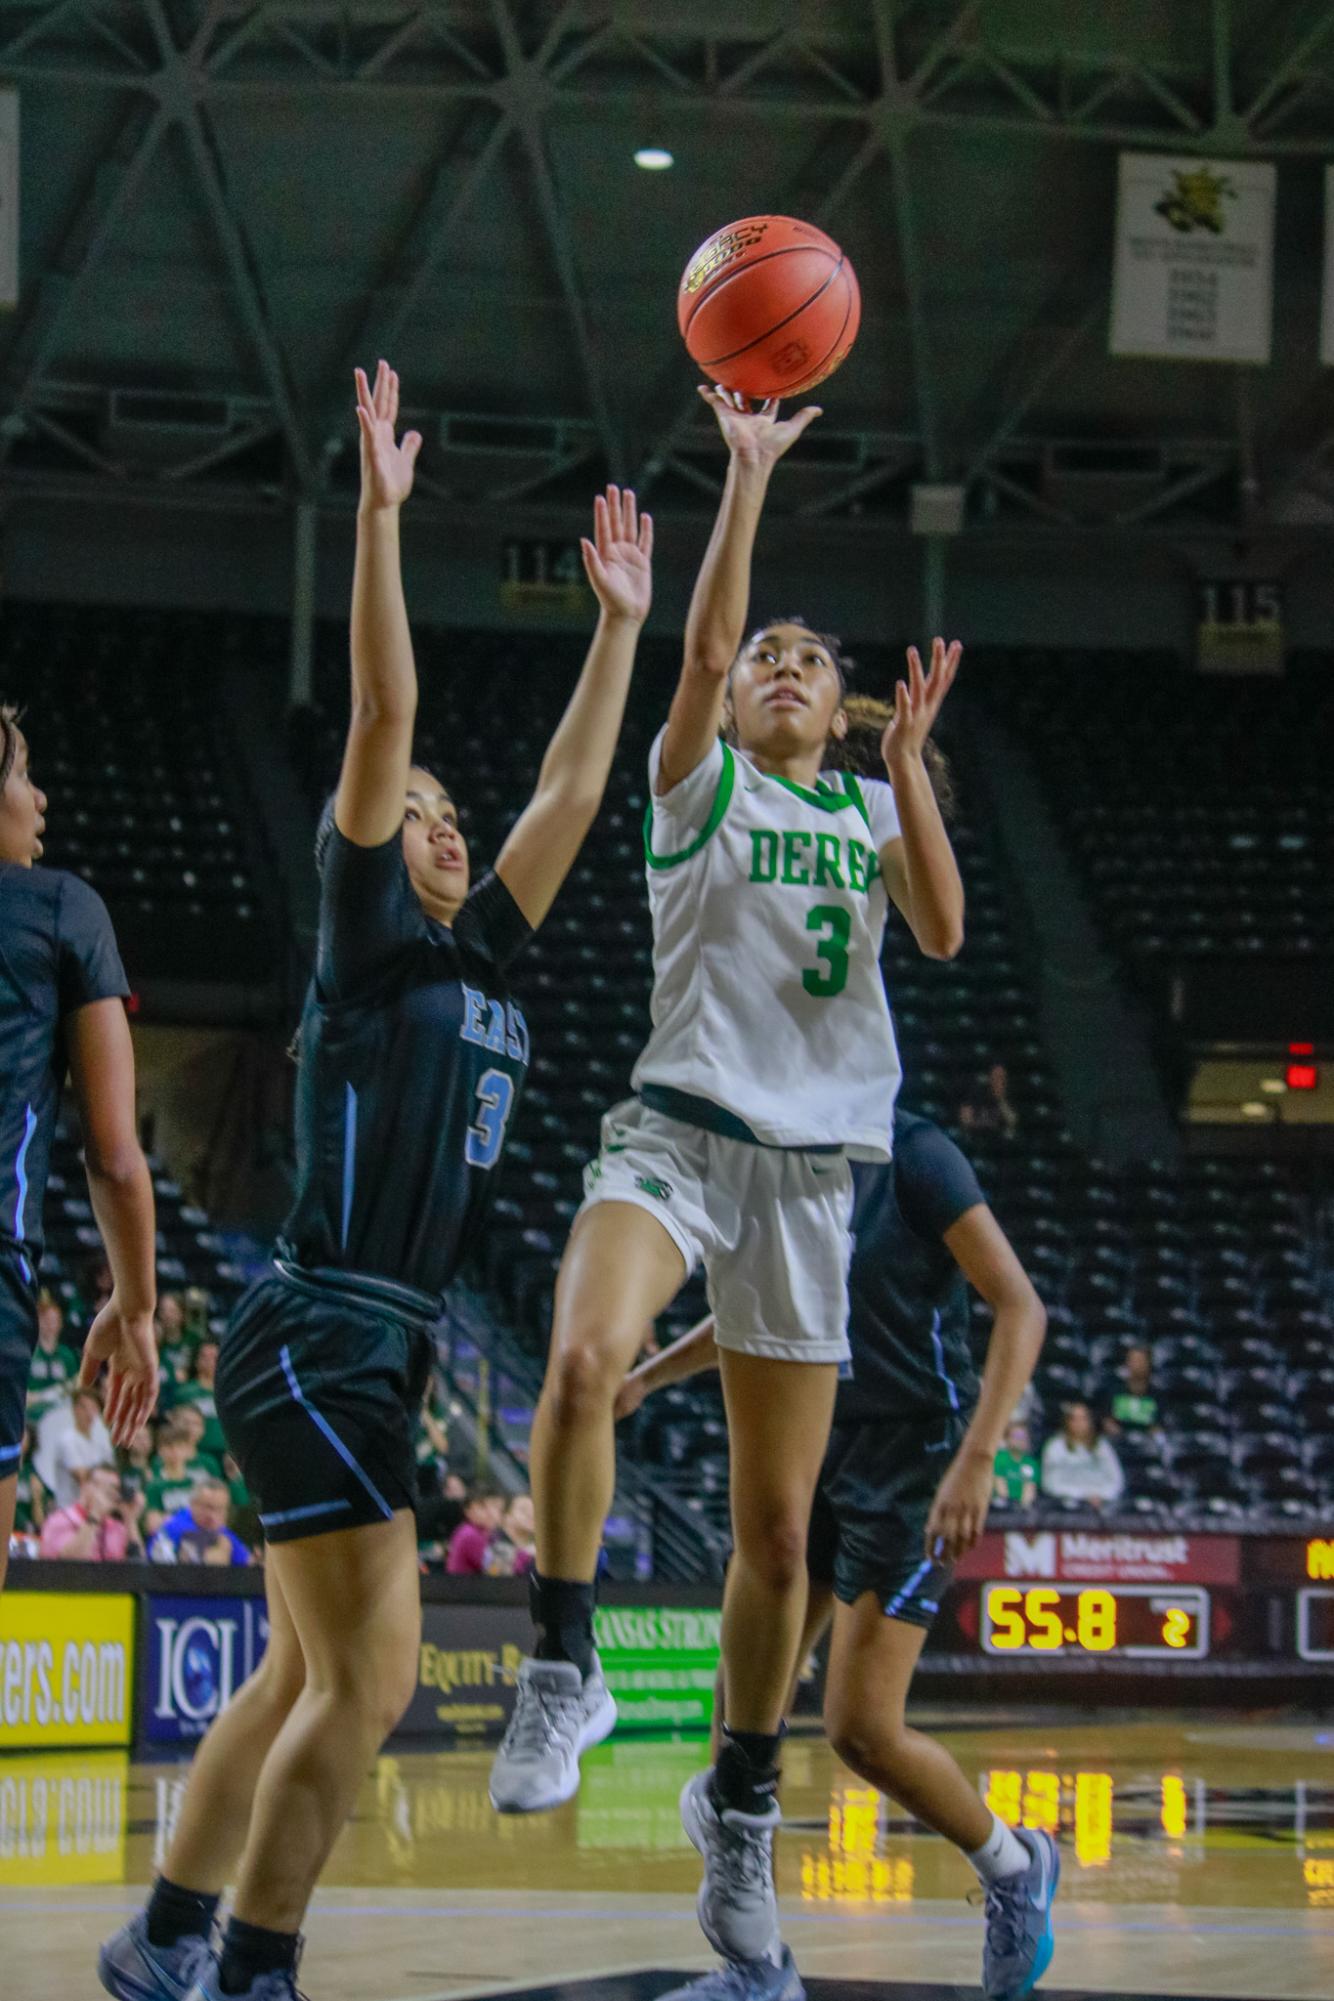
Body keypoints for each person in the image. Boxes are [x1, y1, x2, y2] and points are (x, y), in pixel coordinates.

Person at [99, 358, 654, 2001]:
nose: (433, 821)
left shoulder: (480, 945)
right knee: (374, 1680)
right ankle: (255, 1968)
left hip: (358, 1339)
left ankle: (167, 1942)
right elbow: (384, 716)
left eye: (440, 817)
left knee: (292, 1672)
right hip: (322, 1324)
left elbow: (564, 792)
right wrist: (383, 524)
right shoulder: (360, 943)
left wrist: (618, 627)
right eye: (408, 814)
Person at [489, 387, 965, 1995]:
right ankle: (563, 1661)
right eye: (770, 652)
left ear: (839, 713)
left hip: (810, 1189)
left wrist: (904, 766)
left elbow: (950, 935)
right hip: (678, 1134)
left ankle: (742, 1806)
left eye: (809, 664)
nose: (779, 667)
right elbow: (688, 661)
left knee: (778, 1541)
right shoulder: (704, 793)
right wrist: (745, 474)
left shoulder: (867, 801)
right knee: (576, 1359)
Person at [619, 1108, 1055, 2001]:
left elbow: (1019, 1306)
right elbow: (750, 1316)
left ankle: (1012, 1864)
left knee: (861, 1729)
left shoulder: (919, 1156)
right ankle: (754, 1968)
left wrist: (980, 1458)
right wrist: (645, 1377)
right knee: (745, 1698)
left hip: (917, 1457)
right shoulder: (776, 1163)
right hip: (817, 1440)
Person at [0, 700, 158, 1592]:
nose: (43, 798)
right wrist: (134, 1305)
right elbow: (114, 1154)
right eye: (23, 774)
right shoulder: (61, 907)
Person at [39, 1461, 144, 1560]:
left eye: (114, 1489)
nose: (109, 1494)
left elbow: (138, 1567)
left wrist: (130, 1520)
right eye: (101, 1487)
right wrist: (94, 1516)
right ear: (85, 1486)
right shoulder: (60, 1520)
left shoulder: (115, 1527)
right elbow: (70, 1563)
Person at [1040, 1402, 1124, 1511]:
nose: (1079, 1423)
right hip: (1065, 1505)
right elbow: (1049, 1482)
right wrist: (1082, 1495)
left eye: (1083, 1418)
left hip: (1100, 1502)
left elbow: (1116, 1480)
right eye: (1074, 1418)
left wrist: (1101, 1495)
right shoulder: (1055, 1446)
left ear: (1089, 1421)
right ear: (1067, 1421)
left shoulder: (1102, 1446)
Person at [150, 1478, 251, 1566]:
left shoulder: (224, 1532)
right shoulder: (174, 1526)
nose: (213, 1515)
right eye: (208, 1507)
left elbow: (247, 1562)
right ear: (193, 1504)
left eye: (219, 1509)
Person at [48, 1386, 116, 1507]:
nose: (89, 1413)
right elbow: (81, 1476)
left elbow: (112, 1472)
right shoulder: (67, 1440)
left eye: (94, 1408)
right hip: (69, 1509)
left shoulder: (102, 1441)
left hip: (95, 1509)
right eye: (84, 1407)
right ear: (74, 1409)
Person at [26, 1290, 81, 1420]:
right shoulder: (29, 1353)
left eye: (54, 1320)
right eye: (45, 1320)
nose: (50, 1324)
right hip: (31, 1415)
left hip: (61, 1414)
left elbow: (74, 1386)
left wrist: (46, 1396)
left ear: (60, 1323)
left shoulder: (66, 1355)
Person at [1098, 1343, 1160, 1437]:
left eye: (1140, 1360)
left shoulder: (1157, 1395)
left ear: (1149, 1364)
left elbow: (1158, 1426)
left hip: (1147, 1445)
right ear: (1127, 1363)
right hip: (1118, 1442)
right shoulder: (1113, 1390)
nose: (1136, 1364)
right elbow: (1106, 1420)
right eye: (1133, 1360)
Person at [444, 1489, 505, 1574]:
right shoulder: (470, 1535)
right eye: (482, 1507)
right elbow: (497, 1572)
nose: (491, 1512)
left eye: (496, 1507)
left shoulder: (488, 1533)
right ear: (468, 1511)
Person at [959, 1062, 1019, 1140]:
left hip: (1000, 1140)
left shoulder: (1010, 1096)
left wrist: (1000, 1099)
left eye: (1001, 1078)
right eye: (995, 1077)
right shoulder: (976, 1094)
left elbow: (1012, 1122)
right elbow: (965, 1121)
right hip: (977, 1137)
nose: (997, 1081)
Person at [993, 1420, 1040, 1509]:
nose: (1021, 1440)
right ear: (1007, 1439)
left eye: (1024, 1436)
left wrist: (1023, 1506)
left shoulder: (1030, 1463)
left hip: (1020, 1508)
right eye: (1016, 1436)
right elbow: (1000, 1488)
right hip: (1000, 1506)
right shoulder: (999, 1459)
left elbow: (1029, 1490)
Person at [488, 1493, 537, 1577]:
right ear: (506, 1516)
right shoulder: (492, 1541)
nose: (531, 1515)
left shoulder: (535, 1551)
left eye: (535, 1511)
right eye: (524, 1510)